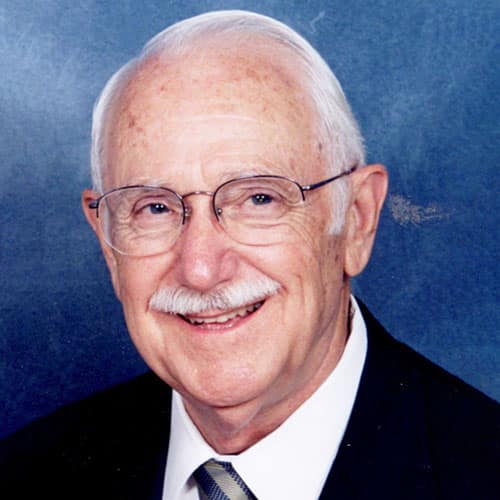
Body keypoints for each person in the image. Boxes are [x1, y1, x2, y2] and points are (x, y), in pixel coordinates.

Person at [1, 10, 497, 500]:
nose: (200, 269)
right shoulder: (26, 475)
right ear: (106, 238)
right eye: (154, 208)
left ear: (357, 220)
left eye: (259, 199)